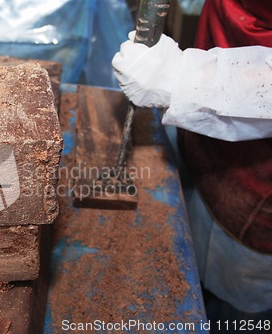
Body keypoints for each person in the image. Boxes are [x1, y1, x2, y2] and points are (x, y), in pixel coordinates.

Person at [112, 0, 272, 325]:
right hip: (196, 137)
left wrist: (187, 80)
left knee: (231, 315)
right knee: (176, 268)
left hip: (256, 191)